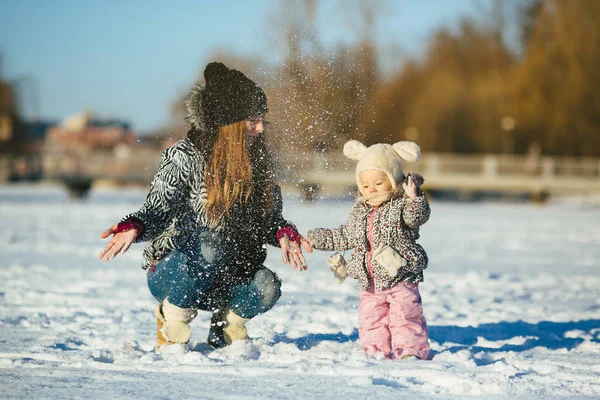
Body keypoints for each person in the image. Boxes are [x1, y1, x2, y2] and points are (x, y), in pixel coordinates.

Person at [99, 62, 312, 352]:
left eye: (263, 120)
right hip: (175, 272)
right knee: (210, 242)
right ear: (230, 124)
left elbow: (267, 219)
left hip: (225, 276)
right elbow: (158, 208)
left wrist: (282, 232)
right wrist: (134, 226)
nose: (261, 128)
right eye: (253, 120)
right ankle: (170, 317)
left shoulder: (259, 162)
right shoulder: (185, 156)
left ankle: (227, 326)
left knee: (267, 286)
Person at [307, 139, 431, 360]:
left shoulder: (402, 205)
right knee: (371, 318)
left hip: (400, 275)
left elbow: (416, 218)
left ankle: (410, 351)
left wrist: (415, 199)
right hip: (369, 279)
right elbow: (346, 235)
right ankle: (374, 350)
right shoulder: (360, 210)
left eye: (378, 182)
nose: (371, 188)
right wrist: (316, 238)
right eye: (365, 185)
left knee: (405, 315)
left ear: (394, 181)